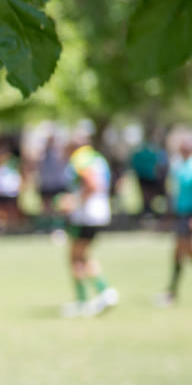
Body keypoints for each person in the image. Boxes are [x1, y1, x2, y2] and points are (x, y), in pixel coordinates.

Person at [61, 135, 118, 318]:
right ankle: (102, 293)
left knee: (75, 257)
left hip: (86, 214)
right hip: (98, 212)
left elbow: (93, 184)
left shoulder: (81, 157)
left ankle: (86, 299)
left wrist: (75, 201)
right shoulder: (96, 157)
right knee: (82, 256)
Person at [159, 131, 192, 306]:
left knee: (191, 255)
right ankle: (171, 293)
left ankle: (171, 293)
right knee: (181, 254)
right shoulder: (181, 164)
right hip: (182, 214)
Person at [130, 136, 169, 219]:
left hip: (145, 177)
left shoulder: (140, 153)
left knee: (147, 195)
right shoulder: (154, 152)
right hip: (150, 177)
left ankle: (148, 210)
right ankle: (148, 211)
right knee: (150, 195)